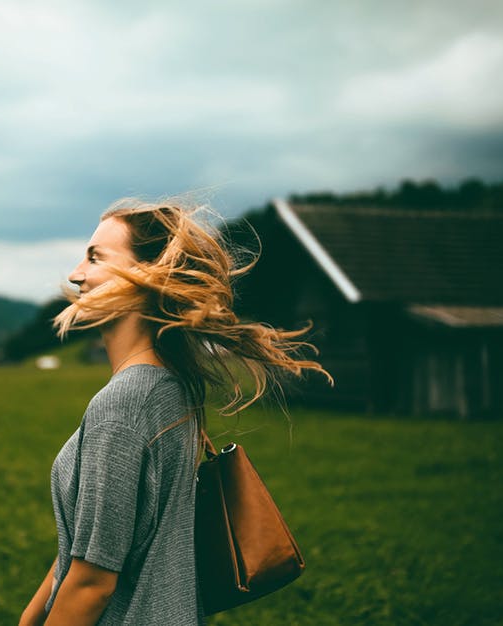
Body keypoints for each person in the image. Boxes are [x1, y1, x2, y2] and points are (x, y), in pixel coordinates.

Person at [19, 198, 329, 625]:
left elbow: (93, 579)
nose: (76, 275)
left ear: (148, 276)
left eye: (95, 258)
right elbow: (82, 549)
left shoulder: (123, 405)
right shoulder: (174, 386)